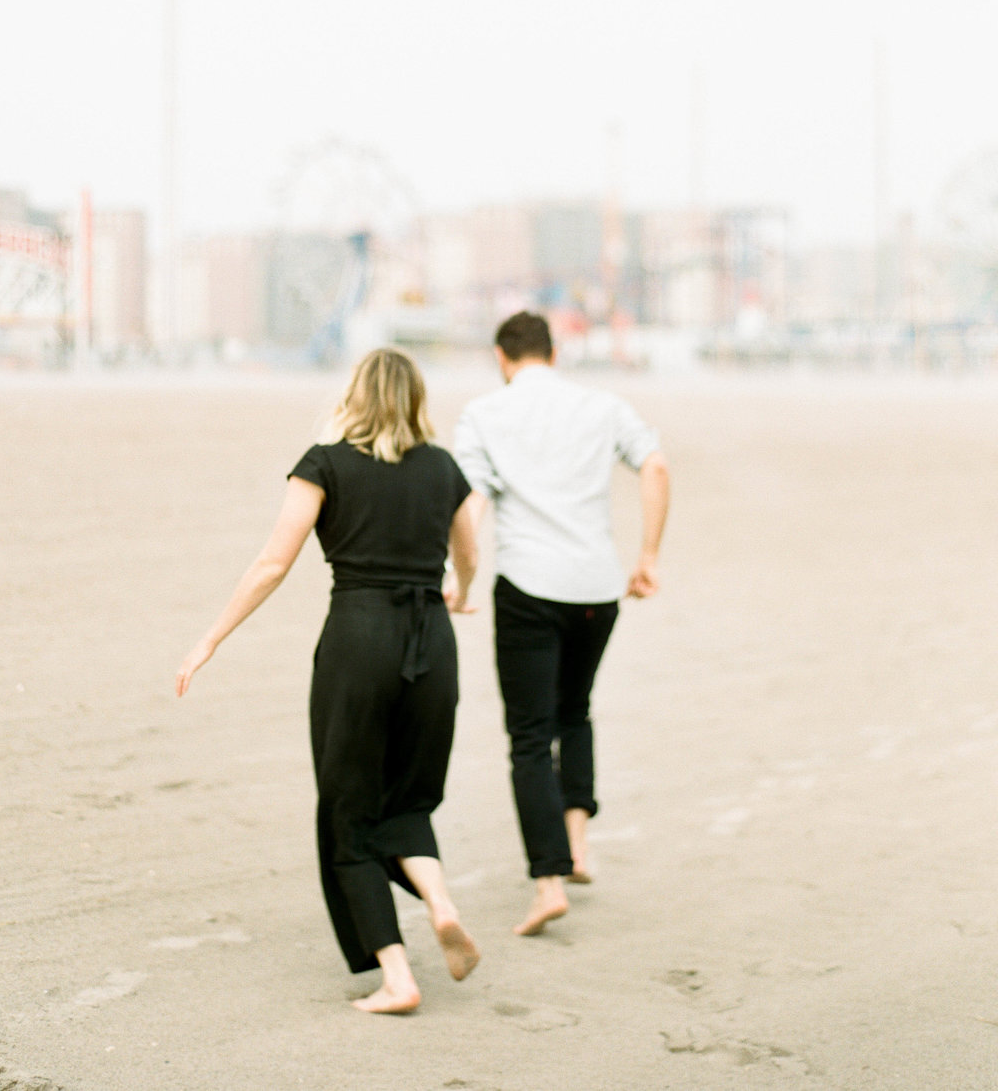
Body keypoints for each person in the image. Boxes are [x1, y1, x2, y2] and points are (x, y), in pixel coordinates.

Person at [175, 348, 480, 1014]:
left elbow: (272, 562)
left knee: (348, 810)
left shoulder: (323, 462)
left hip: (359, 639)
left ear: (354, 394)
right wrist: (458, 590)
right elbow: (468, 551)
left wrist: (211, 637)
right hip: (434, 640)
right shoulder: (442, 467)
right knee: (408, 803)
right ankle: (440, 900)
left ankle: (397, 975)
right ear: (415, 398)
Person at [454, 310, 670, 936]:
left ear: (502, 357)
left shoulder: (484, 415)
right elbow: (654, 465)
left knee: (528, 736)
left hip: (528, 587)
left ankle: (548, 880)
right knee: (574, 711)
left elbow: (470, 502)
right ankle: (577, 845)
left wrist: (459, 578)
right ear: (554, 353)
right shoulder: (602, 405)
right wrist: (647, 557)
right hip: (598, 588)